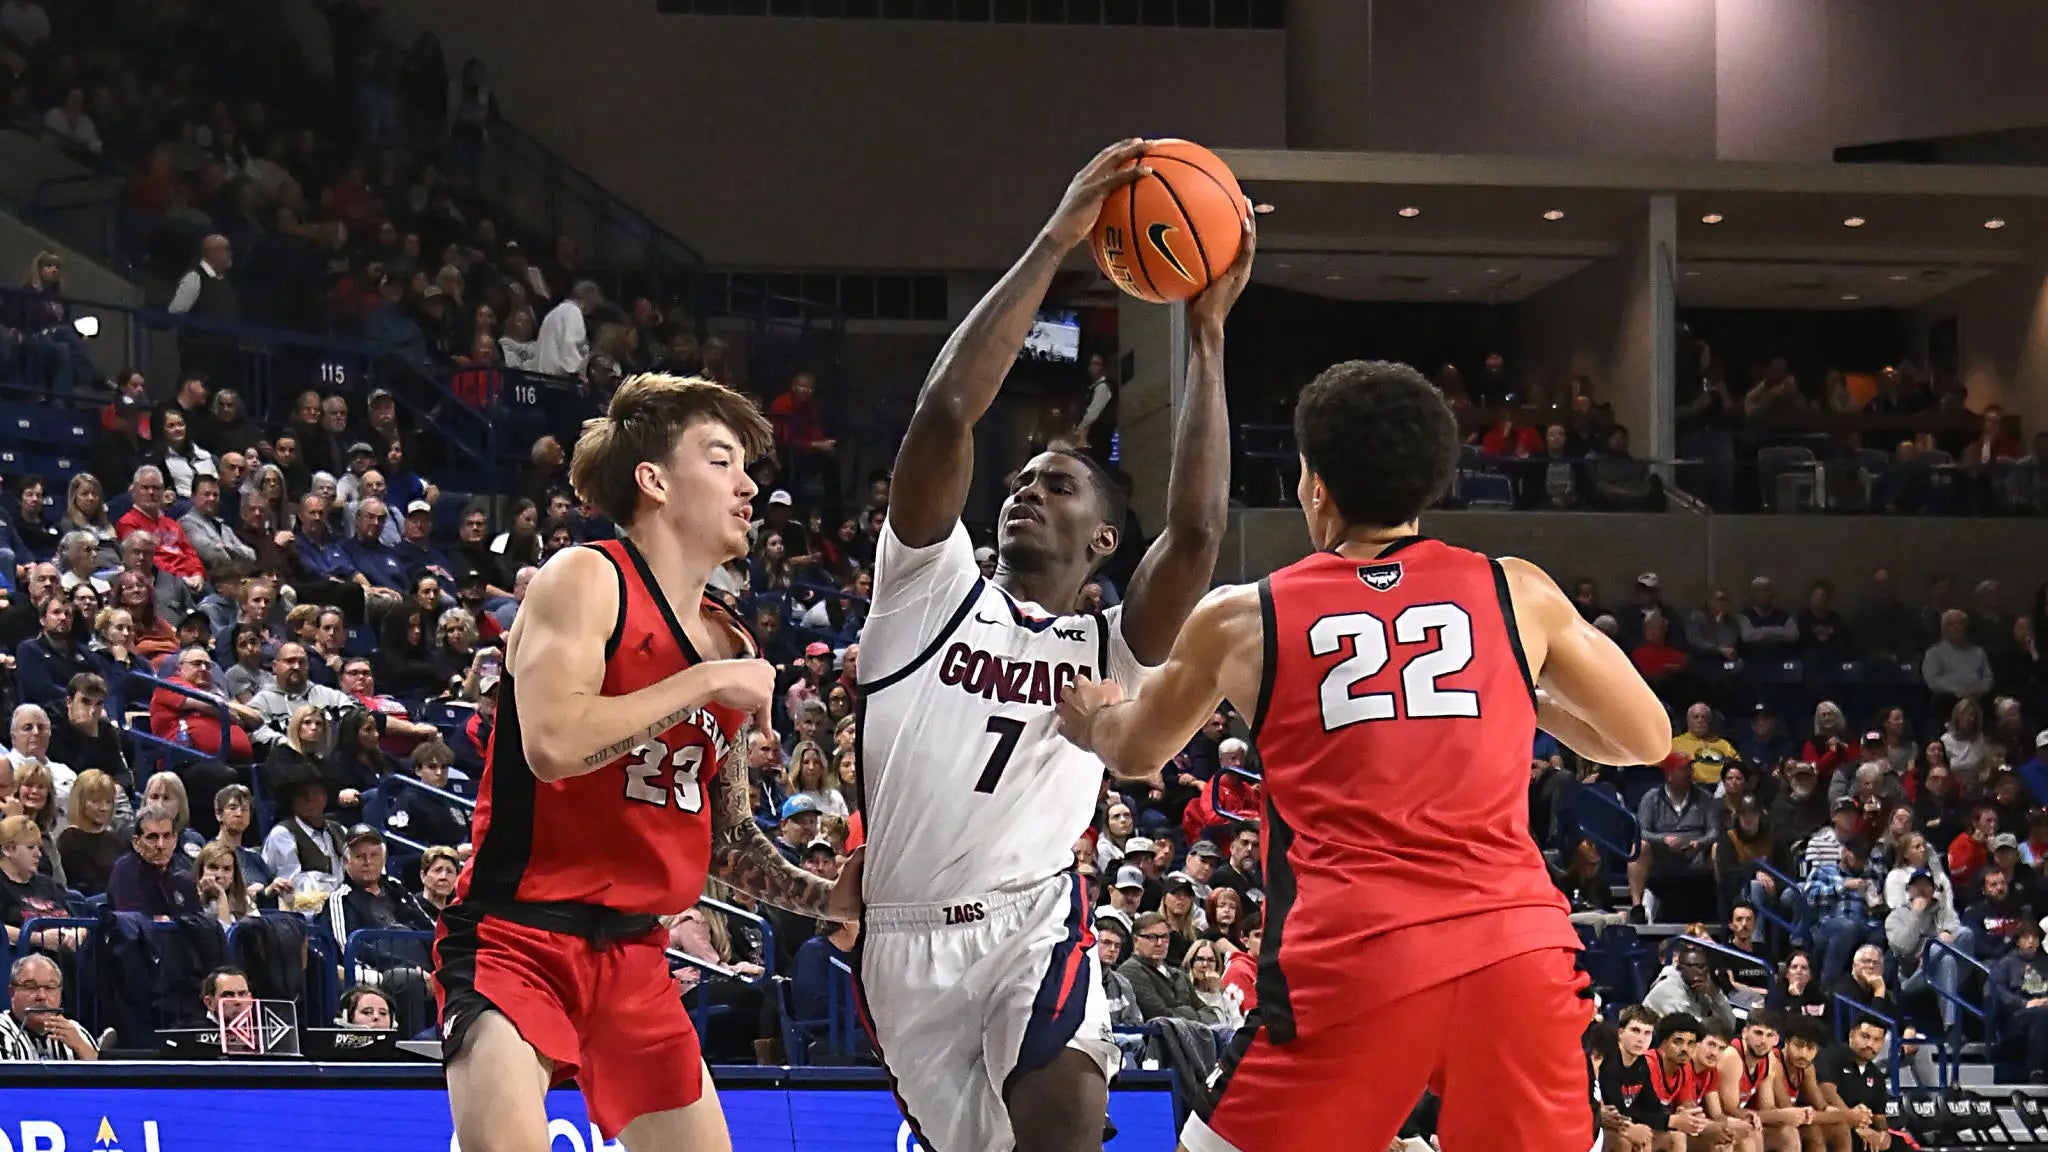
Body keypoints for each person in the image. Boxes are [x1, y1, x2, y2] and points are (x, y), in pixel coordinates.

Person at [1054, 357, 1672, 1152]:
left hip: (1350, 965)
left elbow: (1140, 752)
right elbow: (1644, 737)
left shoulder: (1245, 617)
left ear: (1316, 487)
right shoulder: (1517, 590)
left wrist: (1093, 717)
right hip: (1514, 958)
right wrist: (1523, 696)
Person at [854, 139, 1247, 1152]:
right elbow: (946, 413)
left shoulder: (1113, 643)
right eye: (1020, 480)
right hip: (904, 944)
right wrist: (1056, 238)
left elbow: (1197, 537)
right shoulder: (924, 591)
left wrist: (1203, 334)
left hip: (1034, 919)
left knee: (1068, 1122)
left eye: (1056, 483)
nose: (1026, 490)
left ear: (1103, 540)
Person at [429, 373, 860, 1152]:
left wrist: (828, 897)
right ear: (655, 480)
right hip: (518, 936)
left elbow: (726, 839)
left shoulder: (732, 641)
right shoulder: (586, 579)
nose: (748, 483)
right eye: (722, 460)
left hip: (635, 958)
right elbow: (552, 745)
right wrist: (699, 683)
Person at [0, 954, 98, 1061]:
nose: (42, 996)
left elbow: (103, 1075)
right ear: (12, 992)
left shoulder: (77, 1031)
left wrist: (82, 1047)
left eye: (49, 987)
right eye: (31, 987)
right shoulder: (2, 1033)